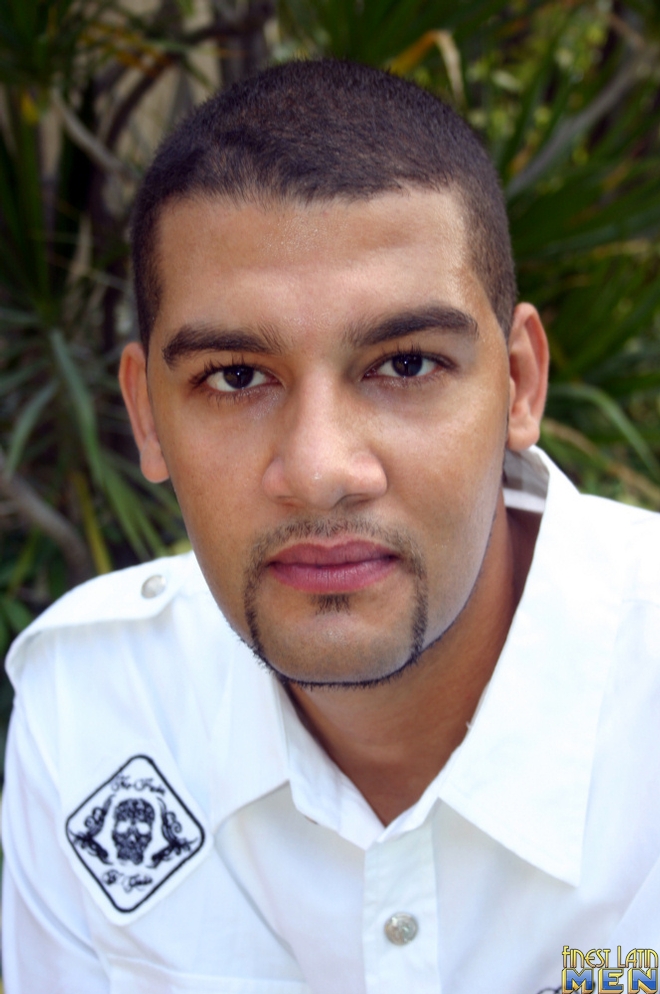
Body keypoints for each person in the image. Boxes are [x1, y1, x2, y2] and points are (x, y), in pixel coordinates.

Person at [3, 59, 660, 994]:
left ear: (519, 384)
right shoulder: (96, 708)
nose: (320, 471)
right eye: (236, 377)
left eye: (406, 365)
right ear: (147, 416)